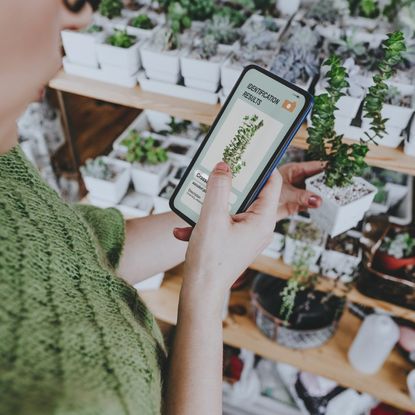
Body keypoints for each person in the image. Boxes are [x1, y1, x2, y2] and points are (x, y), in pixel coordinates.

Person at [0, 1, 323, 414]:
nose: (80, 17)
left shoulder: (5, 156)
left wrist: (228, 212)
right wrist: (207, 288)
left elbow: (82, 257)